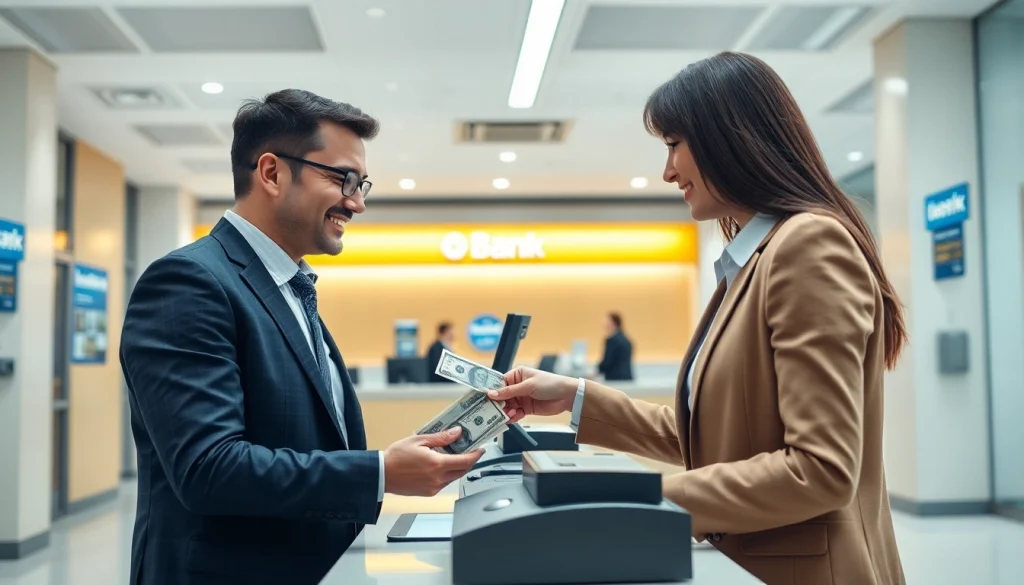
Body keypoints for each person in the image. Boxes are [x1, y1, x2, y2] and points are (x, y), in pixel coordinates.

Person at [489, 52, 906, 585]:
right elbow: (716, 442)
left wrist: (637, 501)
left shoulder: (807, 245)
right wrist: (575, 397)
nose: (667, 171)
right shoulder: (754, 262)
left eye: (673, 145)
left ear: (726, 139)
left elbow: (820, 470)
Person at [120, 89, 483, 585]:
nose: (357, 202)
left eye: (362, 184)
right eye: (342, 179)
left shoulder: (291, 286)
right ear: (272, 173)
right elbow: (208, 468)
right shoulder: (189, 282)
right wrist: (379, 472)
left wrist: (386, 467)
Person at [596, 312, 633, 381]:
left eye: (607, 321)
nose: (604, 324)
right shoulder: (626, 340)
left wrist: (598, 370)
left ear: (612, 323)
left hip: (614, 379)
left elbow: (607, 362)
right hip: (627, 377)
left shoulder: (612, 341)